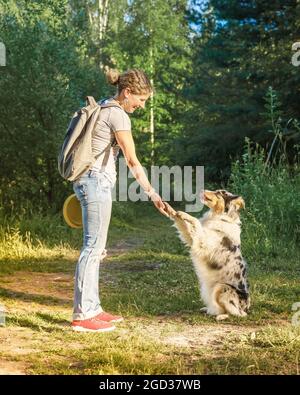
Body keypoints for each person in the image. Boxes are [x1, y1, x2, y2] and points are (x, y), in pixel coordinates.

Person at [71, 68, 169, 332]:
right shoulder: (118, 115)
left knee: (96, 248)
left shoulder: (104, 107)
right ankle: (83, 315)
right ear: (127, 92)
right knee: (92, 248)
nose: (141, 105)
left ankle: (94, 307)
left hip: (88, 181)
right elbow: (132, 160)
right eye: (141, 99)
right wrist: (152, 193)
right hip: (95, 182)